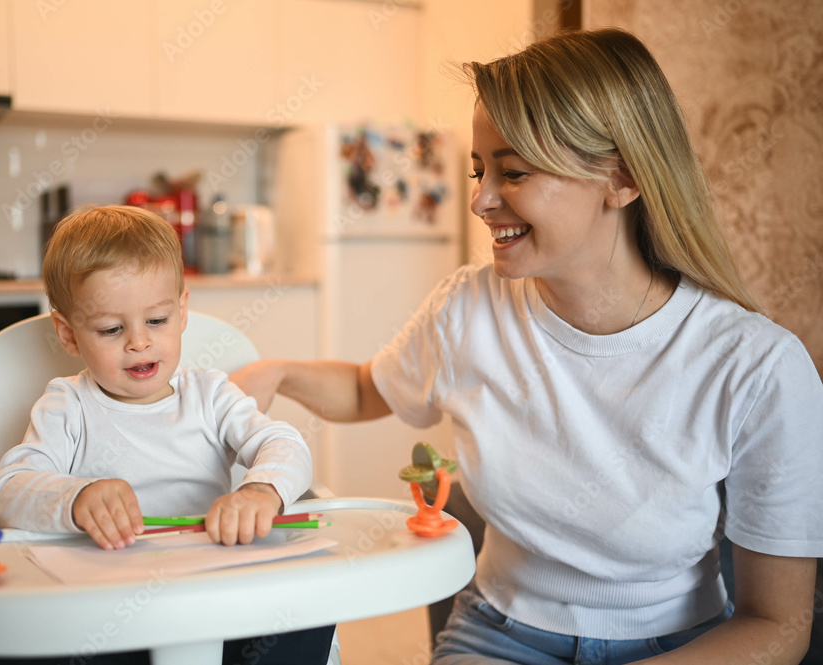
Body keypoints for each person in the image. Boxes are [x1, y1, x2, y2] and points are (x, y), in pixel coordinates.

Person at [231, 28, 823, 665]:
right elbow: (365, 389)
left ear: (621, 177)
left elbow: (778, 626)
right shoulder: (468, 308)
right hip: (497, 634)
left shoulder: (756, 367)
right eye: (480, 171)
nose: (481, 200)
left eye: (513, 172)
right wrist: (279, 371)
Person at [0, 205, 334, 665]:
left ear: (182, 310)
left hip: (212, 594)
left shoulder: (210, 395)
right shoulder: (67, 405)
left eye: (156, 321)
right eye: (112, 329)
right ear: (68, 335)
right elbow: (9, 490)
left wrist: (261, 491)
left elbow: (284, 444)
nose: (139, 342)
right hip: (106, 609)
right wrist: (76, 497)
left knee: (308, 604)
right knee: (19, 640)